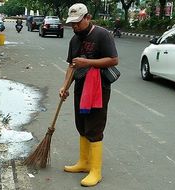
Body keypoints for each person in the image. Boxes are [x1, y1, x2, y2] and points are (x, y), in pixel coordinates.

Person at [59, 3, 118, 187]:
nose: (75, 26)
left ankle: (96, 170)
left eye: (78, 22)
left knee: (94, 126)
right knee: (81, 124)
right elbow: (72, 65)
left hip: (98, 88)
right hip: (80, 87)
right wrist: (64, 86)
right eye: (72, 23)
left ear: (88, 18)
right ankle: (84, 163)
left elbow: (113, 59)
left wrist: (87, 62)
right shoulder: (74, 40)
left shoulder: (102, 35)